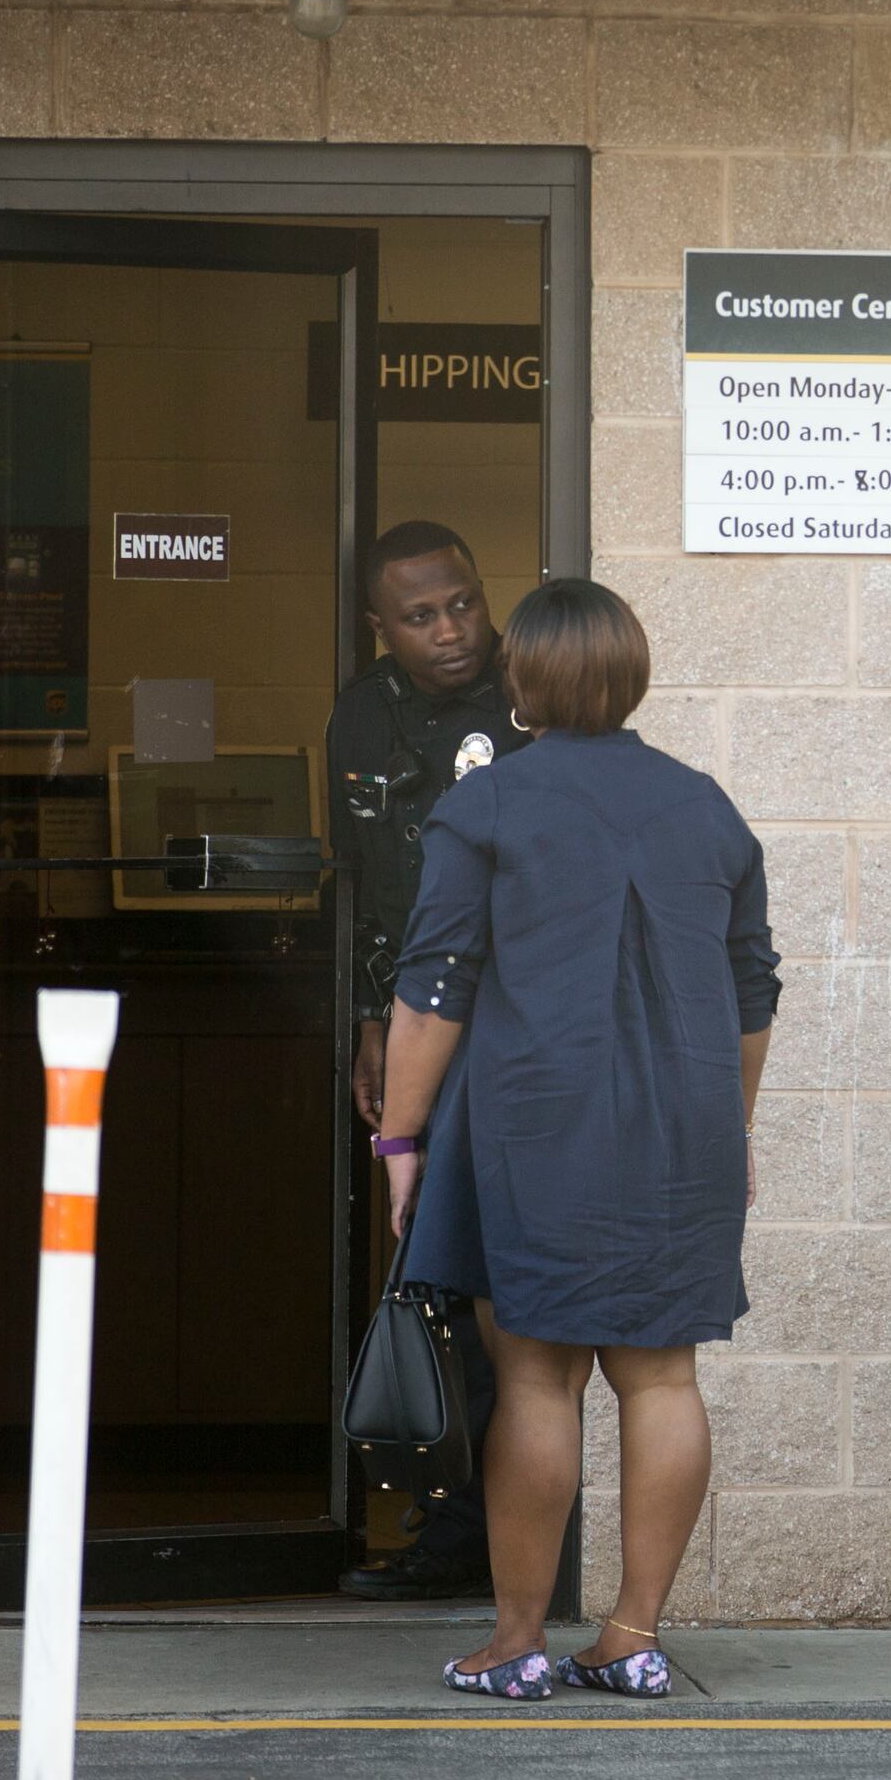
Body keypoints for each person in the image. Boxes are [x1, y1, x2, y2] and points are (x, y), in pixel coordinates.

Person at [375, 578, 778, 1703]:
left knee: (538, 1375)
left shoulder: (488, 806)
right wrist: (729, 1122)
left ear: (522, 682)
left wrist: (399, 1142)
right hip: (685, 1122)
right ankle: (635, 1634)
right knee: (661, 1374)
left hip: (535, 1121)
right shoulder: (707, 806)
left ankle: (516, 1643)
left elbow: (433, 991)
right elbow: (753, 992)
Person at [328, 519, 528, 1601]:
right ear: (381, 625)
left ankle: (504, 1544)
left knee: (499, 1293)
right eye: (420, 615)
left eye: (461, 603)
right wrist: (370, 1023)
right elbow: (360, 878)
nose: (450, 631)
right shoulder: (362, 711)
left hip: (516, 1026)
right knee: (437, 1280)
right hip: (415, 1026)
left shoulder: (527, 694)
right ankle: (452, 1531)